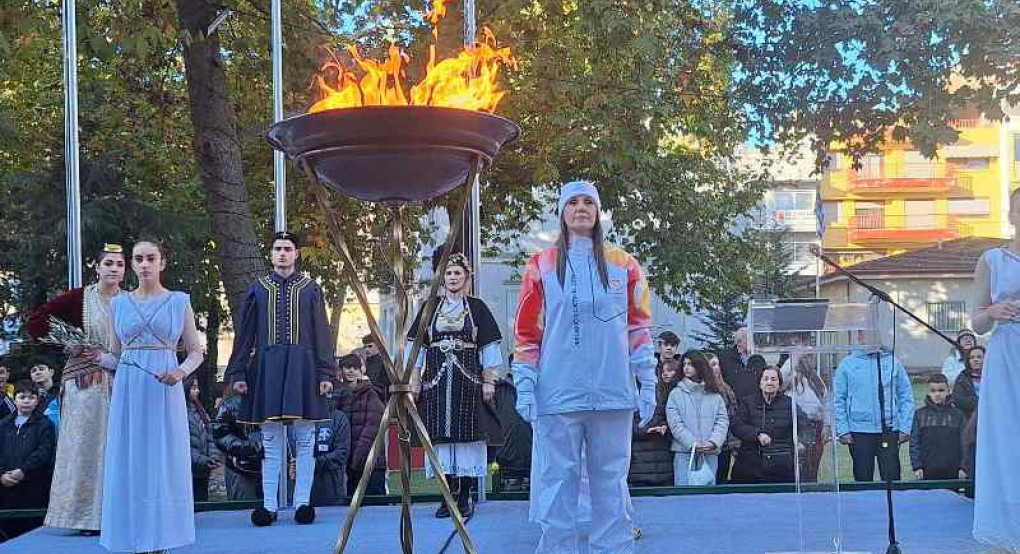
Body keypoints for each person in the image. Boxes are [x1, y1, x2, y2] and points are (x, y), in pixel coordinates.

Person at [512, 181, 656, 554]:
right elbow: (527, 332)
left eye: (588, 202)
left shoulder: (624, 264)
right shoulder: (541, 265)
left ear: (598, 211)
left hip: (612, 391)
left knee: (610, 484)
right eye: (572, 202)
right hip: (558, 392)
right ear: (562, 212)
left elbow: (639, 327)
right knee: (558, 483)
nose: (580, 208)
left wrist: (647, 381)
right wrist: (525, 384)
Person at [93, 238, 205, 553]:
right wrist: (94, 357)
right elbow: (116, 356)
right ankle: (133, 536)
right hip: (129, 390)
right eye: (139, 259)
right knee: (130, 457)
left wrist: (180, 373)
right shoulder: (118, 305)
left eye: (150, 258)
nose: (144, 264)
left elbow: (196, 352)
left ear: (161, 263)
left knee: (163, 458)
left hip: (164, 389)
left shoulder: (179, 301)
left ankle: (162, 538)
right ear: (132, 264)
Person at [224, 231, 336, 527]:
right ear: (271, 254)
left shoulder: (311, 289)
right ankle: (269, 506)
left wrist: (326, 372)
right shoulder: (257, 290)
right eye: (277, 248)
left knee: (305, 438)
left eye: (288, 248)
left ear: (296, 253)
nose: (283, 253)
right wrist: (238, 372)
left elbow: (322, 334)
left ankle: (302, 503)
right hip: (268, 370)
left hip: (304, 370)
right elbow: (244, 335)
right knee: (271, 440)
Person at [25, 243, 125, 534]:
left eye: (119, 264)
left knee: (119, 447)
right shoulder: (79, 298)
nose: (114, 269)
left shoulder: (130, 301)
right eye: (108, 263)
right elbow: (36, 321)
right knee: (86, 448)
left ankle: (118, 513)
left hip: (122, 381)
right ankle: (85, 518)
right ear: (97, 267)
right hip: (85, 384)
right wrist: (67, 342)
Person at [408, 251, 503, 519]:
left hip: (468, 382)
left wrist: (489, 381)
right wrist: (414, 380)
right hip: (437, 383)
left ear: (466, 277)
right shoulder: (429, 308)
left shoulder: (477, 308)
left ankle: (464, 496)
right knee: (440, 438)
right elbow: (417, 348)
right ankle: (446, 496)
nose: (452, 277)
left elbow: (489, 347)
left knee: (468, 437)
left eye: (457, 273)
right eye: (448, 273)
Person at [970, 187, 1020, 551]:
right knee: (1006, 435)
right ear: (1011, 215)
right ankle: (1007, 525)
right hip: (1006, 356)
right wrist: (992, 312)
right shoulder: (992, 260)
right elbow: (976, 323)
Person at [833, 343, 914, 482]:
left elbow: (905, 396)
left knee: (892, 478)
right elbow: (838, 399)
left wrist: (905, 427)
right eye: (862, 334)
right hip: (859, 431)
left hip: (889, 430)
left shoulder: (893, 362)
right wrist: (843, 430)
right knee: (862, 479)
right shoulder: (847, 364)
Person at [0, 380, 57, 538]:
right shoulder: (3, 425)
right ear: (14, 399)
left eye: (31, 397)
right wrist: (2, 474)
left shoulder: (45, 424)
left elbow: (44, 452)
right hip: (5, 489)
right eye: (22, 397)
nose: (26, 401)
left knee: (31, 533)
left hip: (34, 487)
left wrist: (23, 470)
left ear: (37, 401)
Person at [666, 349, 729, 486]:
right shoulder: (675, 394)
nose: (686, 368)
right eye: (684, 364)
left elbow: (722, 421)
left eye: (691, 364)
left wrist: (713, 442)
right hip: (684, 453)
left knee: (707, 494)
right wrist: (692, 443)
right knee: (684, 493)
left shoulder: (715, 395)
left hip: (709, 453)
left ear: (700, 366)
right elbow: (675, 424)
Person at [731, 366, 802, 483]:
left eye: (773, 379)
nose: (769, 382)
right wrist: (757, 434)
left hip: (781, 467)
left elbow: (805, 425)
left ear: (779, 384)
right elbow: (736, 425)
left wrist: (802, 442)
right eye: (766, 379)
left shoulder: (790, 404)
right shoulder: (747, 402)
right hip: (750, 467)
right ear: (760, 383)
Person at [339, 353, 387, 496]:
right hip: (350, 464)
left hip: (371, 464)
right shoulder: (340, 396)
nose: (351, 370)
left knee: (373, 503)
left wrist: (357, 458)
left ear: (362, 370)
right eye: (347, 367)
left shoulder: (371, 394)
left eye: (355, 367)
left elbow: (372, 429)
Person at [909, 374, 966, 481]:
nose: (937, 394)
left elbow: (964, 443)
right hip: (926, 470)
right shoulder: (919, 414)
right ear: (928, 392)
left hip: (953, 470)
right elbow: (914, 442)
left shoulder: (958, 415)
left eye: (941, 390)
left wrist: (963, 467)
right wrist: (917, 467)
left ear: (948, 391)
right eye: (933, 391)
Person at [212, 393, 263, 501]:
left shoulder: (273, 399)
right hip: (241, 469)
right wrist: (248, 448)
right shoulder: (231, 404)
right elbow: (220, 434)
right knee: (243, 507)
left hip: (271, 467)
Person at [786, 354, 829, 483]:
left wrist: (826, 426)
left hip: (816, 426)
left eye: (810, 356)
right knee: (799, 466)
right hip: (798, 426)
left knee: (812, 468)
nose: (808, 359)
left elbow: (825, 403)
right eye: (805, 356)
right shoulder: (791, 378)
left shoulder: (816, 380)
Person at [310, 391, 350, 507]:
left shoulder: (339, 418)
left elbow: (341, 453)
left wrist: (311, 463)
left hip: (333, 489)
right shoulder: (304, 419)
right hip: (304, 491)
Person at [705, 352, 738, 484]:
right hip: (706, 444)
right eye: (712, 365)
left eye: (716, 364)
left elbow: (733, 415)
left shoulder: (726, 389)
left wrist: (733, 445)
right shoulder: (700, 389)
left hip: (724, 445)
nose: (715, 368)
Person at [187, 377, 219, 502]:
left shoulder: (200, 410)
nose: (197, 391)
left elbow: (210, 435)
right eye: (193, 388)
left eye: (197, 387)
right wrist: (202, 460)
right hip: (190, 470)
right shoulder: (180, 412)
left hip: (203, 470)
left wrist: (213, 456)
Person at [719, 327, 759, 401]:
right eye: (749, 339)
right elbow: (721, 379)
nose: (753, 342)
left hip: (755, 402)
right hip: (734, 401)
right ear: (739, 342)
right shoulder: (725, 358)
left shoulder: (758, 358)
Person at [952, 345, 984, 421]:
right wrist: (983, 402)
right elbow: (958, 400)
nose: (975, 360)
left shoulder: (993, 377)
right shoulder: (962, 379)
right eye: (972, 357)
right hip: (969, 419)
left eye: (979, 357)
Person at [28, 362, 60, 429]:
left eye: (41, 369)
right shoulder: (28, 398)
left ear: (51, 372)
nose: (37, 372)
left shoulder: (62, 392)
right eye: (33, 371)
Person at [360, 334, 390, 404]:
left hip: (379, 400)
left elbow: (384, 386)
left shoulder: (384, 363)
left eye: (370, 346)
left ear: (379, 347)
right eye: (364, 347)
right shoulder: (365, 362)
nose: (366, 349)